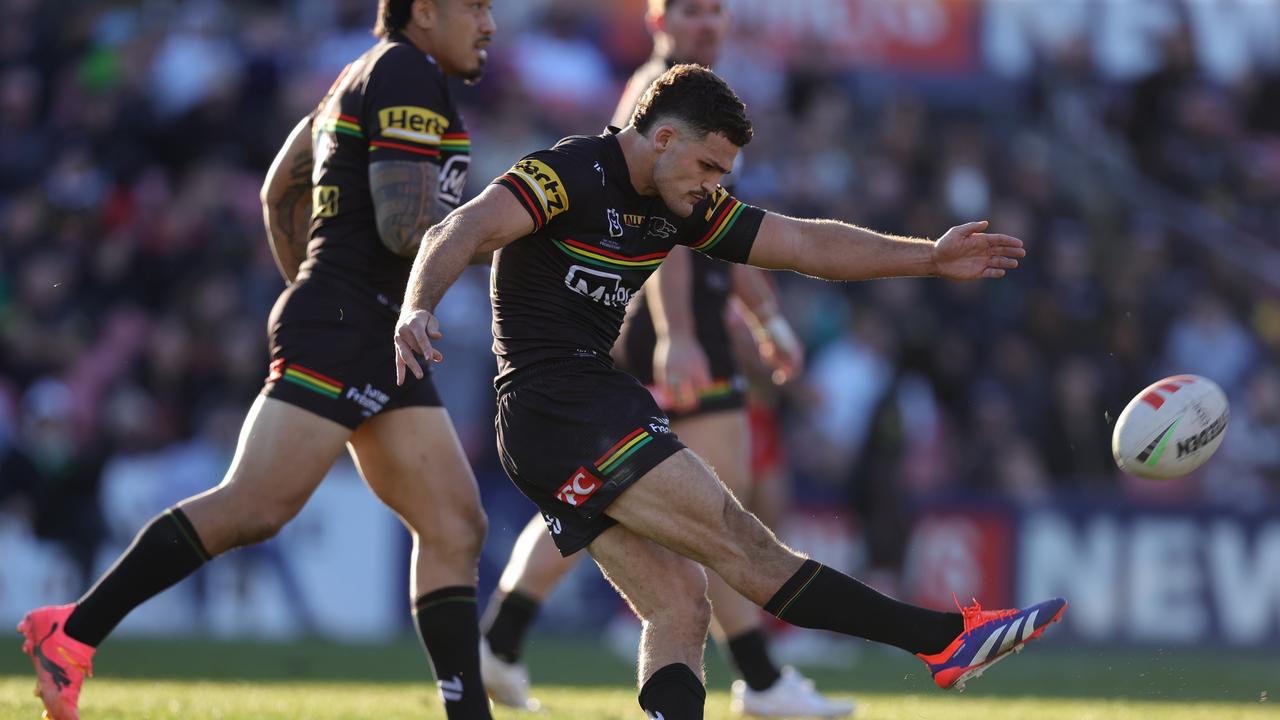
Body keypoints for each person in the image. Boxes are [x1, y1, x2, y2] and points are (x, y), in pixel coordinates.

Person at [394, 64, 1066, 720]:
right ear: (663, 139)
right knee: (741, 544)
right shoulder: (567, 173)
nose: (715, 185)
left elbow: (804, 244)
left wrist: (928, 257)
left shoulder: (679, 202)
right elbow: (460, 228)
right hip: (566, 404)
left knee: (681, 601)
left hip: (557, 421)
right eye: (709, 168)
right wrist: (417, 306)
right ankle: (944, 640)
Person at [18, 2, 497, 719]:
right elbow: (403, 227)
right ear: (424, 11)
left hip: (366, 325)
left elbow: (281, 190)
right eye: (476, 5)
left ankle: (470, 715)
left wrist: (312, 282)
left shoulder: (359, 76)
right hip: (347, 323)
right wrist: (507, 229)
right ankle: (70, 633)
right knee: (253, 506)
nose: (489, 23)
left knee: (456, 524)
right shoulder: (405, 72)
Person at [477, 1, 852, 716]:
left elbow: (730, 230)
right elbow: (657, 230)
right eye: (692, 11)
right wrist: (677, 330)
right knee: (711, 516)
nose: (709, 25)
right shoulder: (655, 99)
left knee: (627, 502)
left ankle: (501, 639)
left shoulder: (711, 109)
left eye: (718, 12)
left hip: (697, 323)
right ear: (657, 21)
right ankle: (763, 681)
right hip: (671, 332)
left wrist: (765, 312)